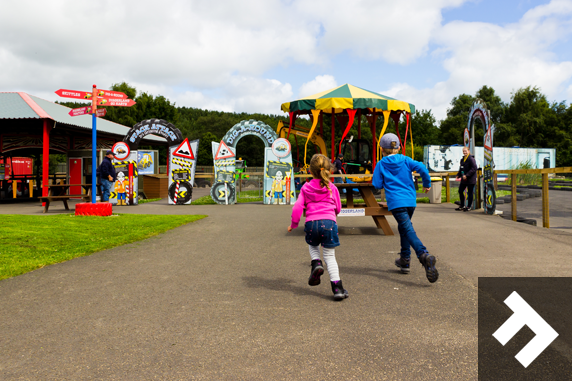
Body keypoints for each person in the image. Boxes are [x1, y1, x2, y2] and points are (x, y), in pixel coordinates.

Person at [372, 133, 438, 283]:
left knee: (407, 229)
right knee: (404, 228)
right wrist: (427, 183)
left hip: (396, 202)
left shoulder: (381, 164)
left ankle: (423, 255)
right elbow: (421, 167)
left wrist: (385, 181)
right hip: (410, 201)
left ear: (382, 148)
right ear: (399, 147)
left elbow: (376, 185)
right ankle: (405, 260)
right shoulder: (406, 160)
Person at [288, 154, 348, 301]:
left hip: (311, 223)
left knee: (312, 245)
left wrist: (294, 224)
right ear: (328, 170)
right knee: (330, 256)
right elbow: (338, 208)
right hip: (329, 223)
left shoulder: (306, 187)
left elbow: (297, 207)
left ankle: (316, 263)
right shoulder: (332, 187)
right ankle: (337, 288)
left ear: (310, 170)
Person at [455, 146, 477, 211]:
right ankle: (462, 205)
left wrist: (467, 175)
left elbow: (474, 168)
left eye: (465, 151)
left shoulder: (471, 159)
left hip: (470, 179)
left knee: (470, 193)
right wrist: (458, 175)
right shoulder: (462, 159)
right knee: (460, 191)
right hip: (464, 179)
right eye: (463, 151)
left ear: (468, 151)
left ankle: (469, 206)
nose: (464, 152)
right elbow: (461, 168)